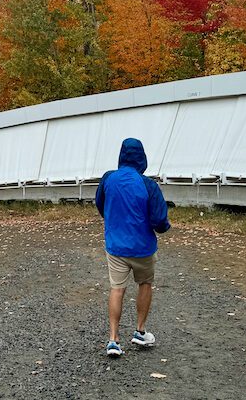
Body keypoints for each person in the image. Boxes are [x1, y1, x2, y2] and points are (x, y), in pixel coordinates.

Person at [94, 137, 170, 357]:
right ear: (142, 157)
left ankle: (113, 340)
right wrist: (164, 227)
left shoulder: (108, 178)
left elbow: (100, 204)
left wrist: (112, 221)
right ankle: (140, 331)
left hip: (116, 246)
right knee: (145, 283)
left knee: (117, 289)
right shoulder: (148, 184)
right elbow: (159, 220)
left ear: (121, 155)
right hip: (143, 247)